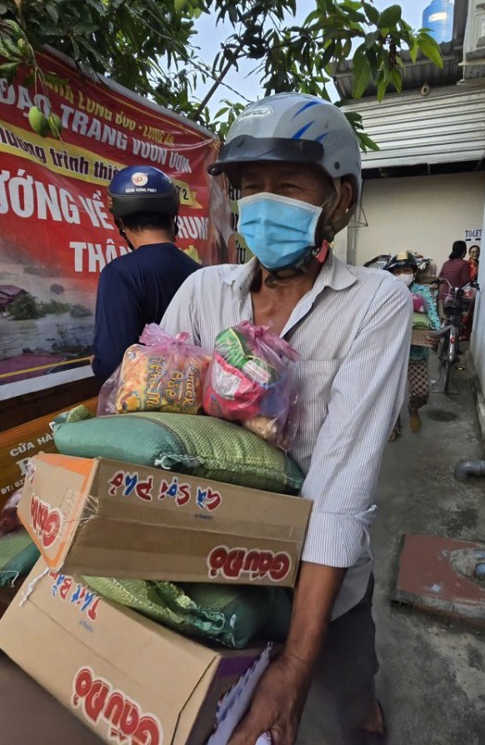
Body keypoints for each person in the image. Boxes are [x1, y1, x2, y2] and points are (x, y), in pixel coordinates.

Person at [160, 92, 410, 745]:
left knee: (347, 701)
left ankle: (366, 712)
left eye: (289, 186)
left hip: (325, 580)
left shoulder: (375, 303)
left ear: (340, 200)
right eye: (251, 187)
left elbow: (341, 484)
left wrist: (299, 663)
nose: (263, 204)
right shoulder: (201, 292)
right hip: (218, 565)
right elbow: (150, 406)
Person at [90, 165, 200, 380]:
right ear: (173, 219)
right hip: (195, 392)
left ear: (121, 223)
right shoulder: (199, 272)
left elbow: (113, 365)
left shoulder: (119, 274)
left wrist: (97, 363)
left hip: (148, 399)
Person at [386, 251, 441, 439]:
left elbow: (432, 315)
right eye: (397, 271)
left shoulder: (422, 292)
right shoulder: (386, 292)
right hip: (391, 354)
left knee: (421, 392)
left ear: (414, 272)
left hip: (417, 352)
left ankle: (413, 408)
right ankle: (393, 425)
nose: (402, 274)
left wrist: (435, 333)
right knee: (390, 394)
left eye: (407, 270)